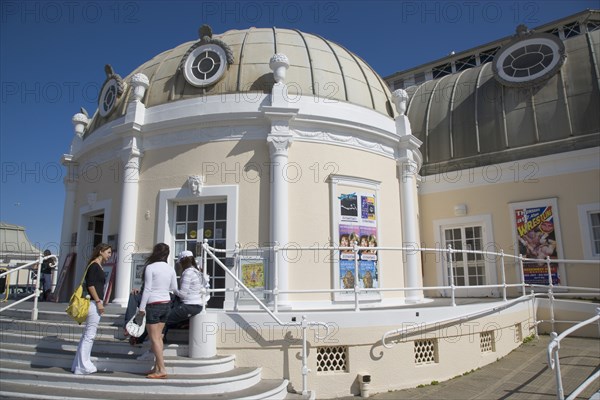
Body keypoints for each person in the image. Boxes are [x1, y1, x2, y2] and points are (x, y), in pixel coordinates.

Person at [137, 243, 178, 379]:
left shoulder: (150, 267)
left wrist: (142, 307)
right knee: (158, 337)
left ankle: (162, 368)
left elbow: (147, 288)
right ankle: (157, 367)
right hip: (166, 304)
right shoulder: (171, 269)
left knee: (154, 338)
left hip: (153, 304)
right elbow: (174, 287)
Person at [71, 243, 112, 375]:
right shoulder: (94, 265)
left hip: (95, 302)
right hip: (93, 303)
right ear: (101, 251)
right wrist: (99, 302)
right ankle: (83, 365)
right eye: (108, 252)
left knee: (86, 335)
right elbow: (91, 285)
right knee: (89, 335)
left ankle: (78, 365)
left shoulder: (97, 265)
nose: (109, 255)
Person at [163, 250, 209, 342]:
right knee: (168, 315)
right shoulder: (197, 272)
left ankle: (156, 345)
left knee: (162, 319)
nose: (179, 265)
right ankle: (161, 340)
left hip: (189, 306)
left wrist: (173, 288)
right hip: (197, 306)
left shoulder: (187, 273)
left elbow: (183, 295)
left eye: (180, 262)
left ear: (183, 261)